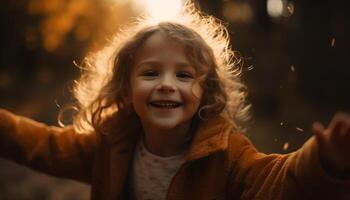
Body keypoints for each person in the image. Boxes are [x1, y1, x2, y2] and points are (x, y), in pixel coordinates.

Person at [0, 1, 349, 200]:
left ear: (205, 91)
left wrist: (323, 161)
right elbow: (41, 145)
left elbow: (278, 179)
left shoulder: (226, 154)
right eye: (151, 73)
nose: (167, 85)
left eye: (184, 75)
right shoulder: (111, 144)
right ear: (125, 88)